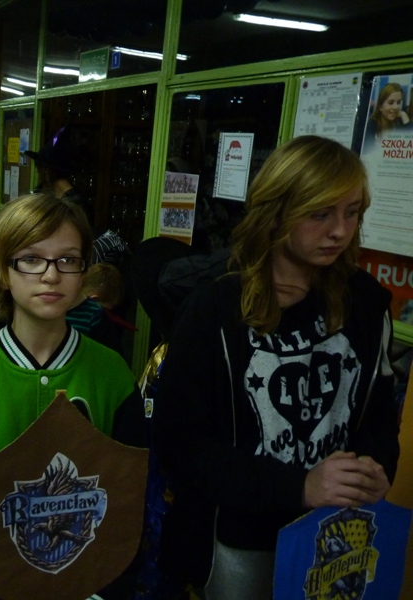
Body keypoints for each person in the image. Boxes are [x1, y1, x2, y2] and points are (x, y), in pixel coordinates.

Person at [152, 135, 400, 598]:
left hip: (335, 532)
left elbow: (379, 418)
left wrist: (374, 468)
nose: (340, 231)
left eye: (352, 212)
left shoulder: (366, 302)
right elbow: (179, 444)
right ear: (276, 212)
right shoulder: (214, 309)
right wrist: (298, 486)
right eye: (320, 213)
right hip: (238, 540)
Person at [0, 192, 148, 599]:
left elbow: (128, 505)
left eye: (68, 259)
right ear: (3, 270)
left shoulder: (113, 376)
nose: (51, 275)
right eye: (31, 259)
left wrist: (102, 592)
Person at [364, 82, 411, 149]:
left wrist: (405, 117)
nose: (396, 107)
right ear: (380, 106)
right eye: (390, 103)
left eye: (398, 102)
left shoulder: (400, 123)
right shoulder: (371, 124)